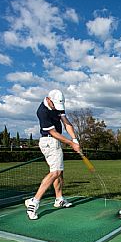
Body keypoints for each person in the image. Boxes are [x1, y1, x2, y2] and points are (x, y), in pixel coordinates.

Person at [25, 89, 81, 220]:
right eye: (54, 105)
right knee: (55, 172)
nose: (56, 108)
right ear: (48, 99)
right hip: (49, 142)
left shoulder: (57, 105)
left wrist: (75, 139)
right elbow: (53, 133)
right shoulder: (42, 111)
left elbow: (66, 123)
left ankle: (59, 199)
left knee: (59, 172)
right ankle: (34, 202)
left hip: (55, 141)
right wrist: (71, 144)